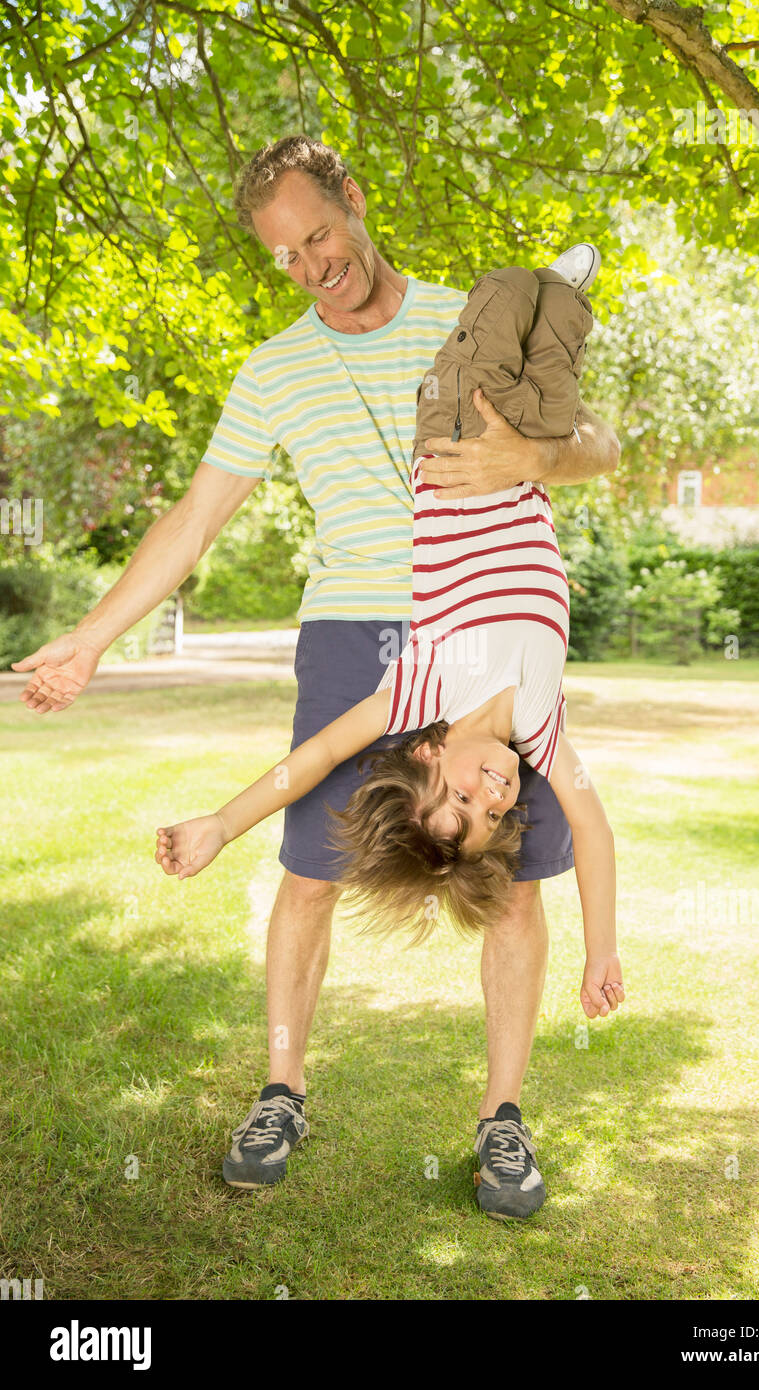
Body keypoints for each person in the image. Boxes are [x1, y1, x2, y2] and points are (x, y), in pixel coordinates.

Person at [12, 134, 621, 1220]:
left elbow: (602, 444)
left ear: (352, 197)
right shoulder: (272, 370)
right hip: (352, 627)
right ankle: (282, 1086)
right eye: (285, 256)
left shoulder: (465, 314)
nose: (310, 265)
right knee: (309, 871)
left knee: (517, 881)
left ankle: (502, 1120)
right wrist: (96, 634)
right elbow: (195, 520)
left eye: (318, 234)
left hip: (469, 614)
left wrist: (535, 460)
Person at [155, 245, 625, 1218]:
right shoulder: (537, 728)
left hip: (450, 447)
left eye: (461, 796)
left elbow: (314, 759)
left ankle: (523, 279)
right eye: (493, 811)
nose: (492, 793)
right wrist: (601, 951)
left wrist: (218, 822)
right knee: (556, 356)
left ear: (425, 756)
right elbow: (591, 829)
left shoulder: (416, 687)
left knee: (499, 301)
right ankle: (563, 292)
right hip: (524, 476)